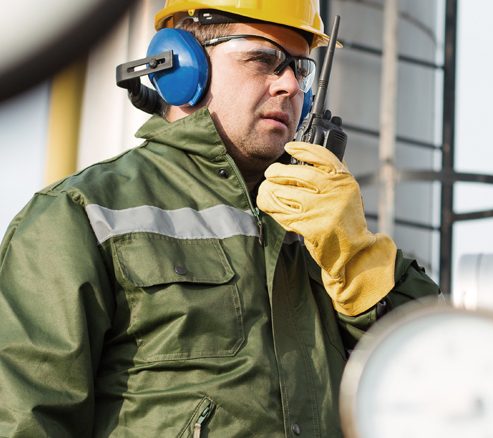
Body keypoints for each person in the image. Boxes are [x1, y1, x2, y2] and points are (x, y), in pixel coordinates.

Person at [0, 1, 440, 436]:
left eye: (300, 69)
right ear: (183, 69)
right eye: (264, 60)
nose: (290, 84)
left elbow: (450, 378)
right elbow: (26, 419)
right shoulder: (81, 213)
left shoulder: (325, 225)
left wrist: (362, 262)